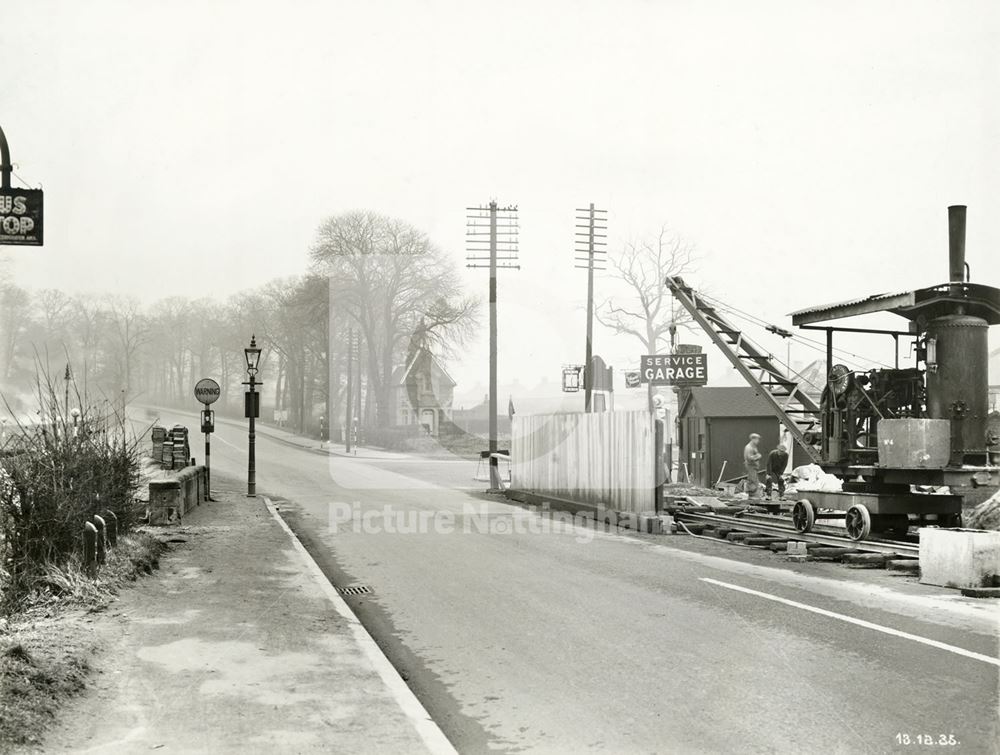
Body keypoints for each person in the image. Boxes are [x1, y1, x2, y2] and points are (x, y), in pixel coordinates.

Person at [743, 433, 762, 498]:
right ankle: (751, 495)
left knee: (754, 480)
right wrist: (758, 456)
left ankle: (753, 495)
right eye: (757, 439)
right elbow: (749, 458)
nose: (758, 441)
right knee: (752, 480)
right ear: (753, 439)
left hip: (754, 467)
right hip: (751, 466)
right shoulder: (749, 447)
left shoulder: (753, 446)